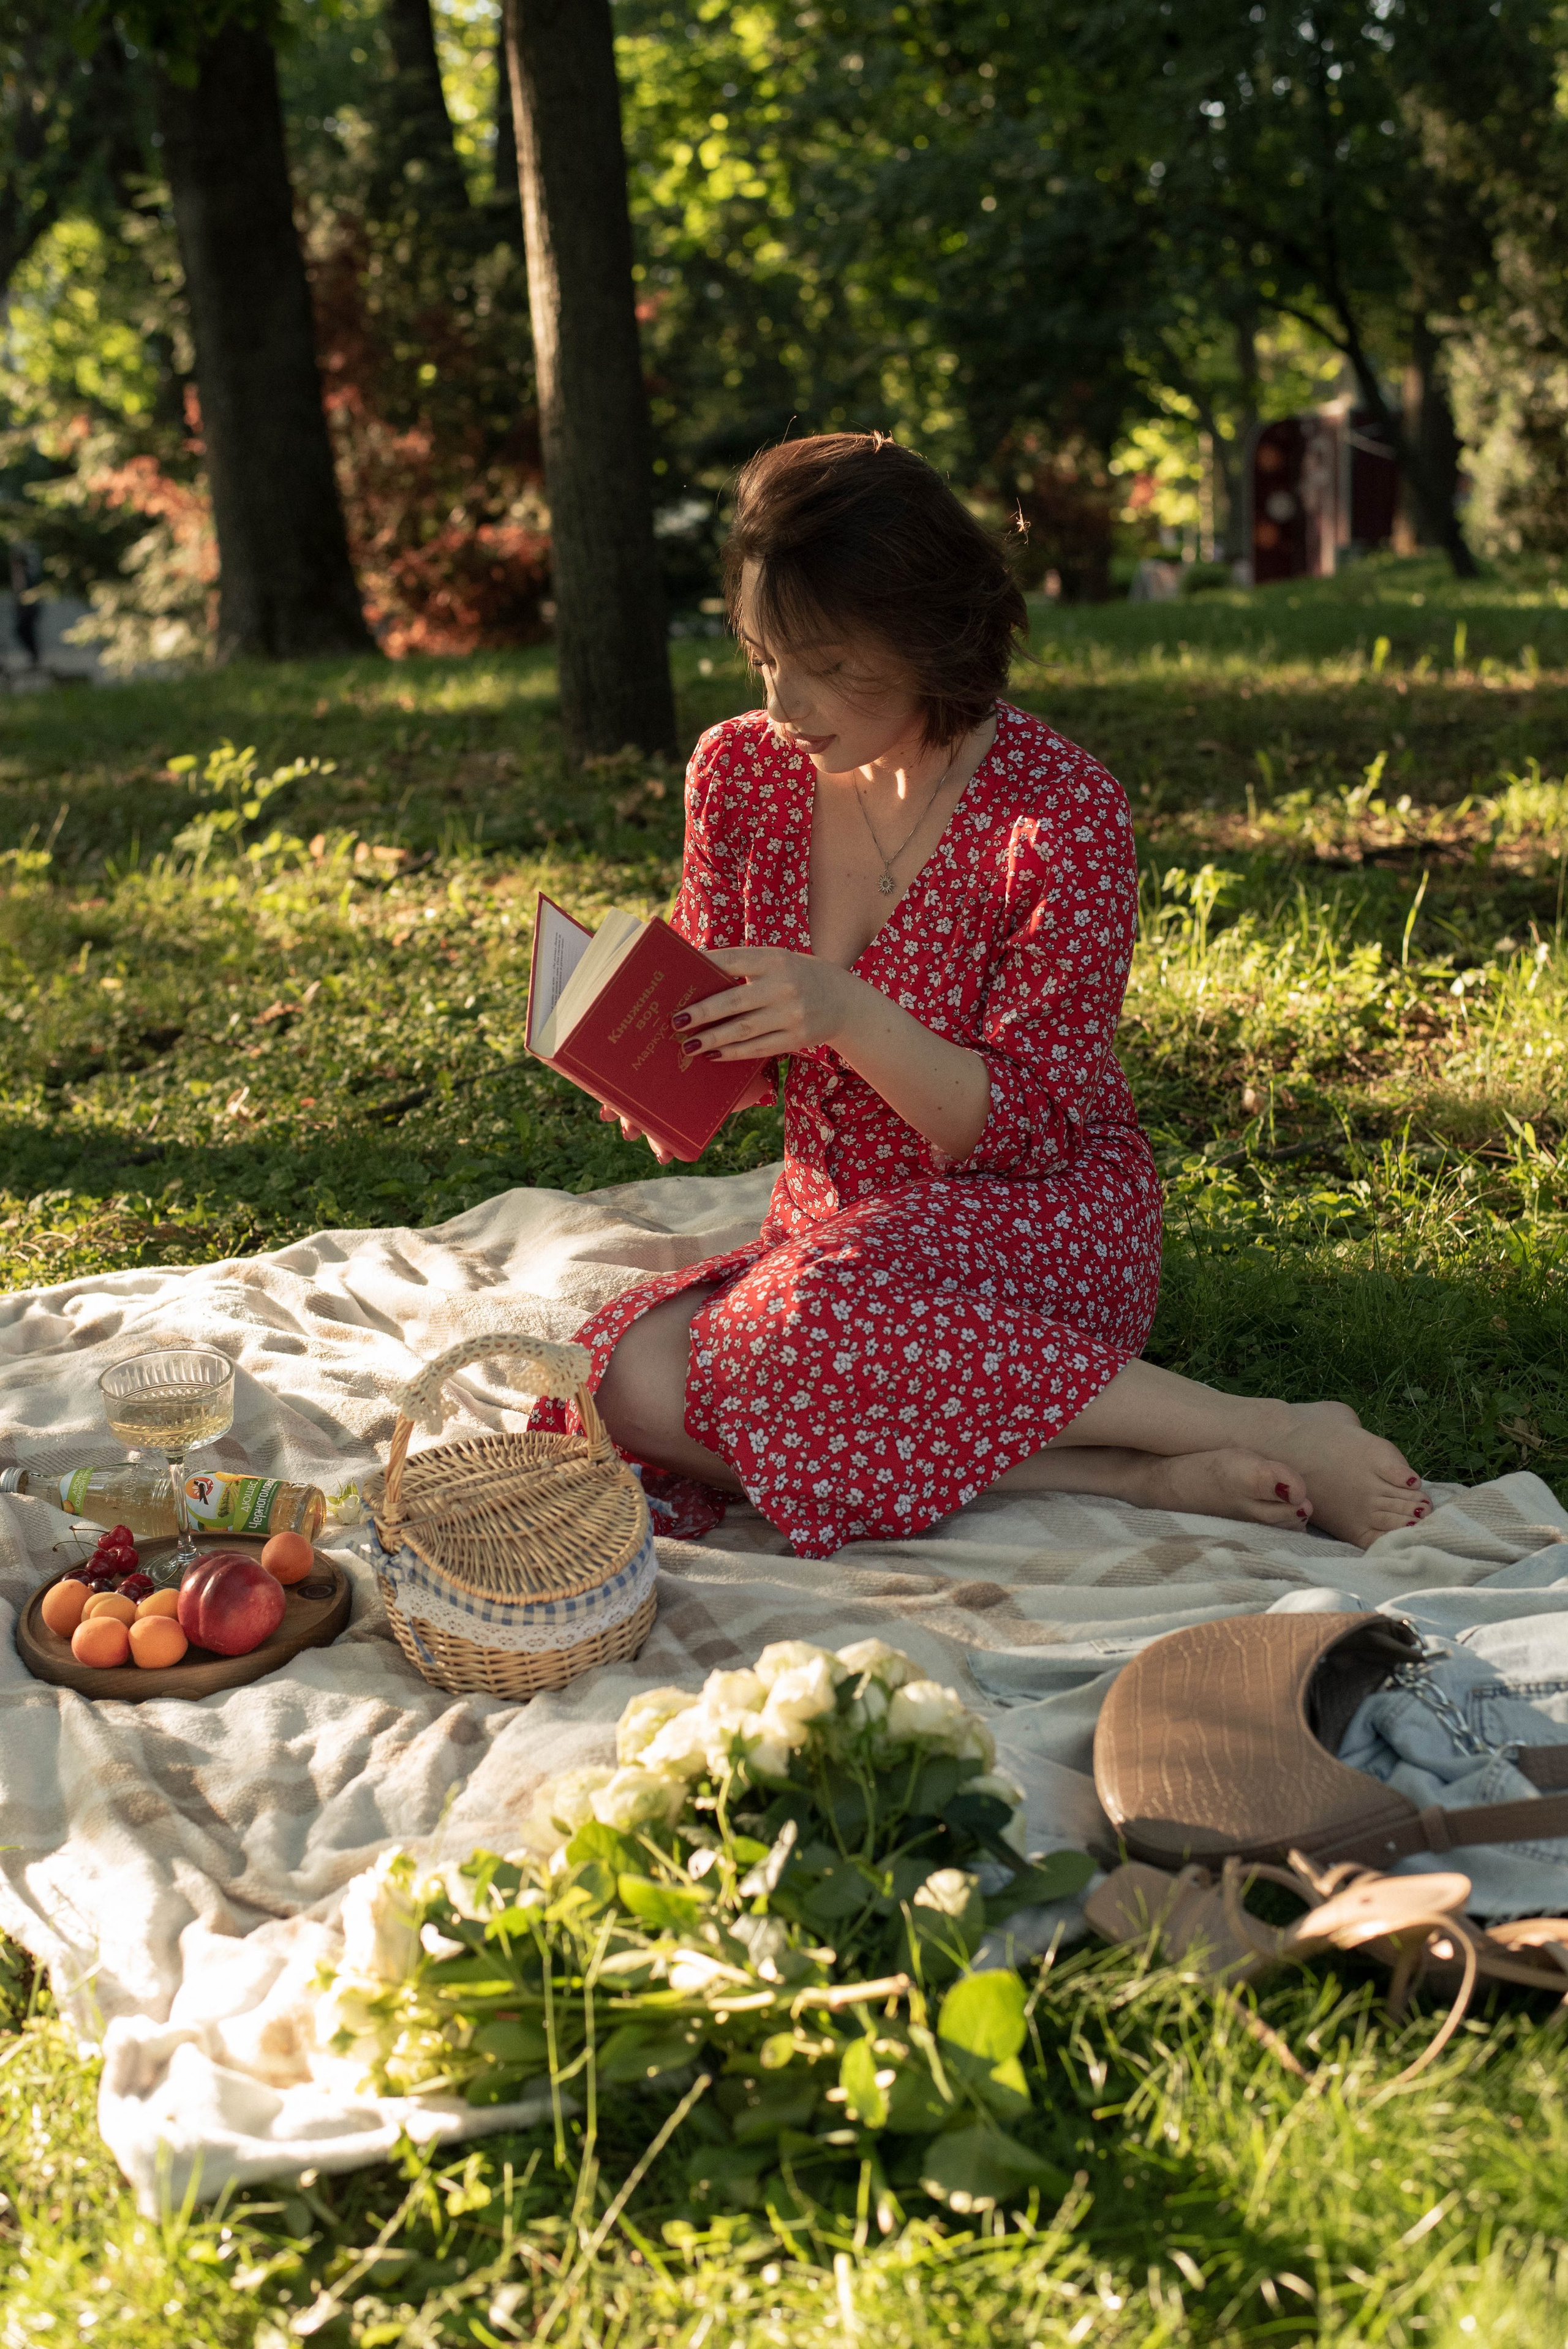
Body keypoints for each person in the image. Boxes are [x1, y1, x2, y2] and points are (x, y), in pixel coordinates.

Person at [534, 432, 1430, 1559]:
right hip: (835, 1243)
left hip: (1038, 1217)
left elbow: (1026, 1126)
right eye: (762, 657)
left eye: (821, 662)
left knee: (781, 1340)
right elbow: (739, 1036)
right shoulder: (740, 772)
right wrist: (664, 1070)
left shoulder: (1059, 816)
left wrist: (849, 1014)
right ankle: (1131, 1473)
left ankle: (1269, 1427)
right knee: (619, 1387)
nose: (782, 703)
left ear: (924, 636)